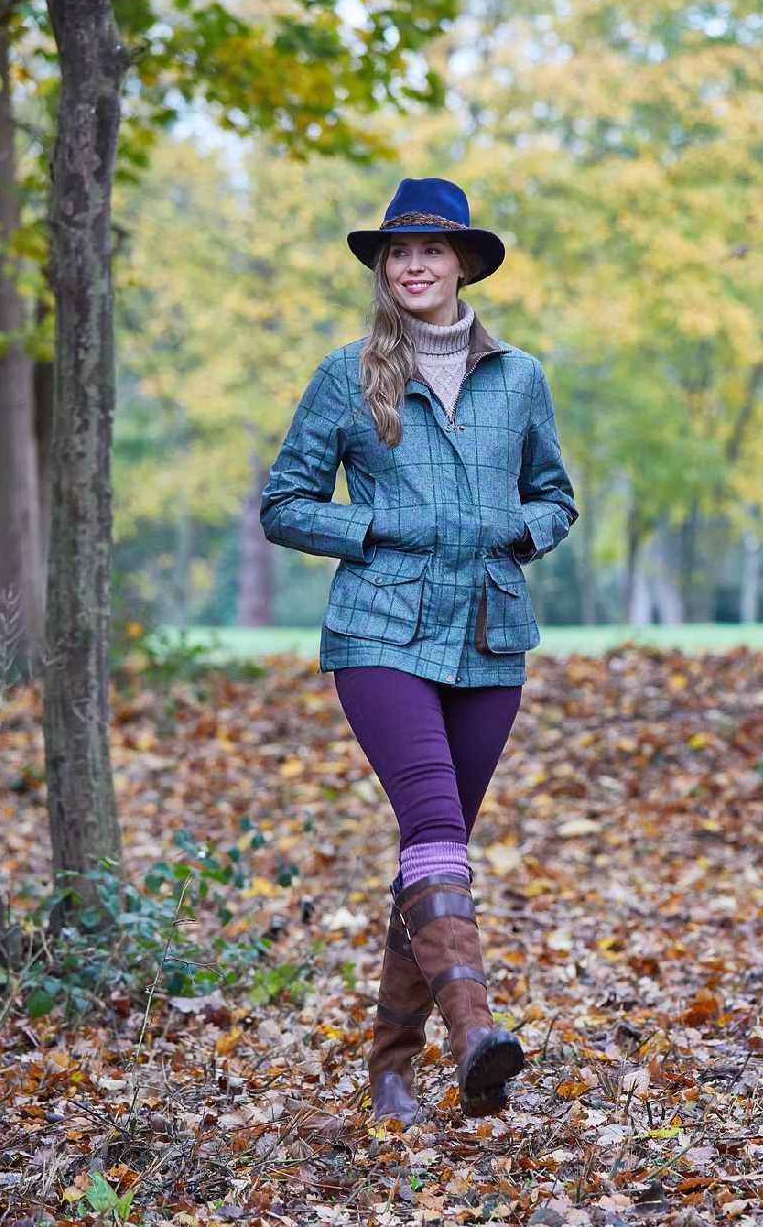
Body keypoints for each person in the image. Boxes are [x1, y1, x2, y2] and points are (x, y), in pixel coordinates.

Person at [259, 177, 578, 1125]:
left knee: (433, 852)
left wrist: (516, 533)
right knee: (435, 824)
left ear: (464, 264)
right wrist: (378, 528)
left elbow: (556, 496)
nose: (413, 266)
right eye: (398, 253)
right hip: (381, 631)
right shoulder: (345, 373)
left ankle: (392, 1068)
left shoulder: (518, 377)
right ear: (382, 269)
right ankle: (478, 1037)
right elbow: (284, 503)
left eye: (430, 252)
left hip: (488, 633)